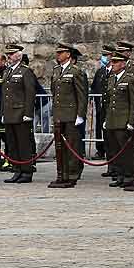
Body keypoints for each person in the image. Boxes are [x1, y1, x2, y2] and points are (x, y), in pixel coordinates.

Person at [103, 49, 134, 191]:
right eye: (112, 61)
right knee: (116, 150)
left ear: (122, 63)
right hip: (112, 120)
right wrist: (106, 119)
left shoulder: (130, 79)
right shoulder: (111, 78)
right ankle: (120, 175)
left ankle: (130, 176)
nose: (113, 64)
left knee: (126, 150)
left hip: (124, 120)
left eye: (115, 62)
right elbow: (109, 101)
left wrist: (132, 119)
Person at [48, 44, 90, 188]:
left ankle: (72, 174)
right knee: (61, 146)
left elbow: (82, 95)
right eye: (58, 52)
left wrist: (80, 114)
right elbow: (55, 92)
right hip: (60, 113)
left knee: (73, 145)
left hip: (72, 114)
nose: (58, 55)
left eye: (61, 52)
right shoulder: (56, 70)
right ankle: (62, 173)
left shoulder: (76, 71)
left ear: (68, 54)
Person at [0, 44, 39, 184]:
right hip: (10, 113)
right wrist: (3, 112)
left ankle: (26, 171)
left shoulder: (25, 71)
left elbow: (30, 93)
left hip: (21, 113)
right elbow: (5, 95)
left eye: (11, 54)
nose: (9, 57)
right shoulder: (7, 72)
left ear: (18, 55)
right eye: (8, 54)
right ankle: (17, 170)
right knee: (12, 144)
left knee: (23, 144)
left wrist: (28, 113)